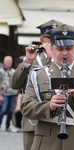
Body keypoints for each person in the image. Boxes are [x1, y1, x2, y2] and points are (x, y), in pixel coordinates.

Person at [21, 24, 74, 150]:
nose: (65, 53)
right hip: (45, 142)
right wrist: (49, 106)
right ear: (51, 48)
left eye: (69, 48)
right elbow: (26, 108)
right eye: (60, 49)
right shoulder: (37, 75)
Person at [10, 19, 63, 150]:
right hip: (33, 120)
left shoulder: (65, 60)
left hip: (57, 120)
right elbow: (14, 84)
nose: (53, 41)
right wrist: (27, 61)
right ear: (42, 40)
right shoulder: (32, 60)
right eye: (49, 38)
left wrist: (53, 58)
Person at [0, 56, 18, 131]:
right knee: (3, 109)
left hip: (13, 93)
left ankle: (7, 126)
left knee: (11, 110)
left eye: (10, 61)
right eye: (8, 61)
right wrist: (0, 95)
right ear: (4, 62)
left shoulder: (14, 71)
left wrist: (17, 93)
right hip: (4, 94)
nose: (9, 63)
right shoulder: (1, 71)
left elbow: (17, 82)